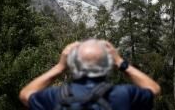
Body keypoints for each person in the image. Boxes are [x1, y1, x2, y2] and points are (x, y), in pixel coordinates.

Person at [19, 39, 161, 110]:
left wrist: (60, 67)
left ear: (73, 64)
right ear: (108, 65)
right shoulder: (124, 95)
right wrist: (120, 62)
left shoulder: (54, 96)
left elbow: (25, 94)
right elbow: (153, 89)